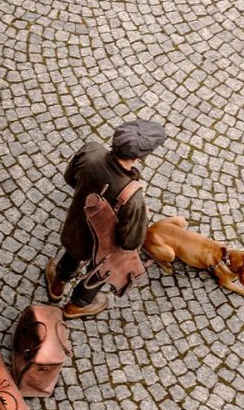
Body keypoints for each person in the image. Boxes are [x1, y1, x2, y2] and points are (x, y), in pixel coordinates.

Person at [45, 119, 166, 318]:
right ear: (139, 157)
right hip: (104, 250)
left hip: (76, 230)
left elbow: (70, 178)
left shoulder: (90, 152)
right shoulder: (133, 198)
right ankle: (76, 306)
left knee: (72, 255)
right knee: (99, 272)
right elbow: (130, 242)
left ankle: (57, 286)